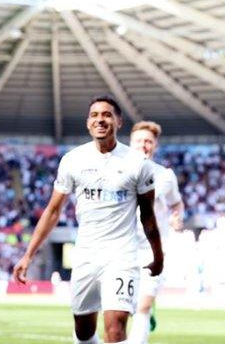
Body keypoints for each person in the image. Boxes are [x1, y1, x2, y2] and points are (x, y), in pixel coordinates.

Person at [12, 95, 164, 344]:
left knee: (115, 329)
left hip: (122, 255)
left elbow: (148, 215)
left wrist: (158, 256)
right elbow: (53, 210)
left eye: (106, 115)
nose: (100, 120)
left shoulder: (138, 164)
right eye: (94, 115)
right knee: (83, 331)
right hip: (86, 254)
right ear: (88, 123)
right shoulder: (73, 160)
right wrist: (28, 254)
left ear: (118, 122)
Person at [127, 121, 184, 343]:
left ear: (155, 146)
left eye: (148, 141)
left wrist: (177, 217)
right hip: (123, 246)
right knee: (125, 306)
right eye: (139, 141)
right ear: (130, 144)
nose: (144, 145)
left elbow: (176, 204)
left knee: (143, 305)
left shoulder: (166, 176)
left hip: (153, 248)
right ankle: (148, 313)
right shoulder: (117, 171)